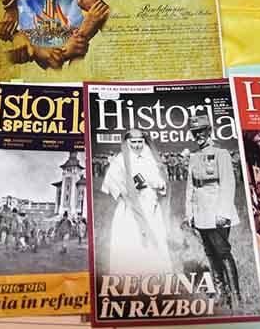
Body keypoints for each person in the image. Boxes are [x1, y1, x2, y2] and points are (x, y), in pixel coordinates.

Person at [185, 114, 242, 309]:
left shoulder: (221, 153)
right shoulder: (194, 156)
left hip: (217, 211)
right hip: (201, 212)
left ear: (209, 131)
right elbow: (191, 187)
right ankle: (221, 293)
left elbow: (228, 184)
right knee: (210, 253)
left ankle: (235, 296)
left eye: (201, 131)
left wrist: (223, 213)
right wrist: (189, 213)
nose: (198, 135)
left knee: (223, 252)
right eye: (195, 132)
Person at [101, 129, 172, 274]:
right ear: (127, 142)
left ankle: (156, 273)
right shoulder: (120, 159)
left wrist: (159, 184)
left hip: (151, 205)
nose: (137, 145)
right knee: (132, 239)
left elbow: (162, 180)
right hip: (130, 208)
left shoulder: (151, 158)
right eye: (133, 142)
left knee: (155, 236)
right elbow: (111, 181)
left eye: (140, 142)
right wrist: (126, 194)